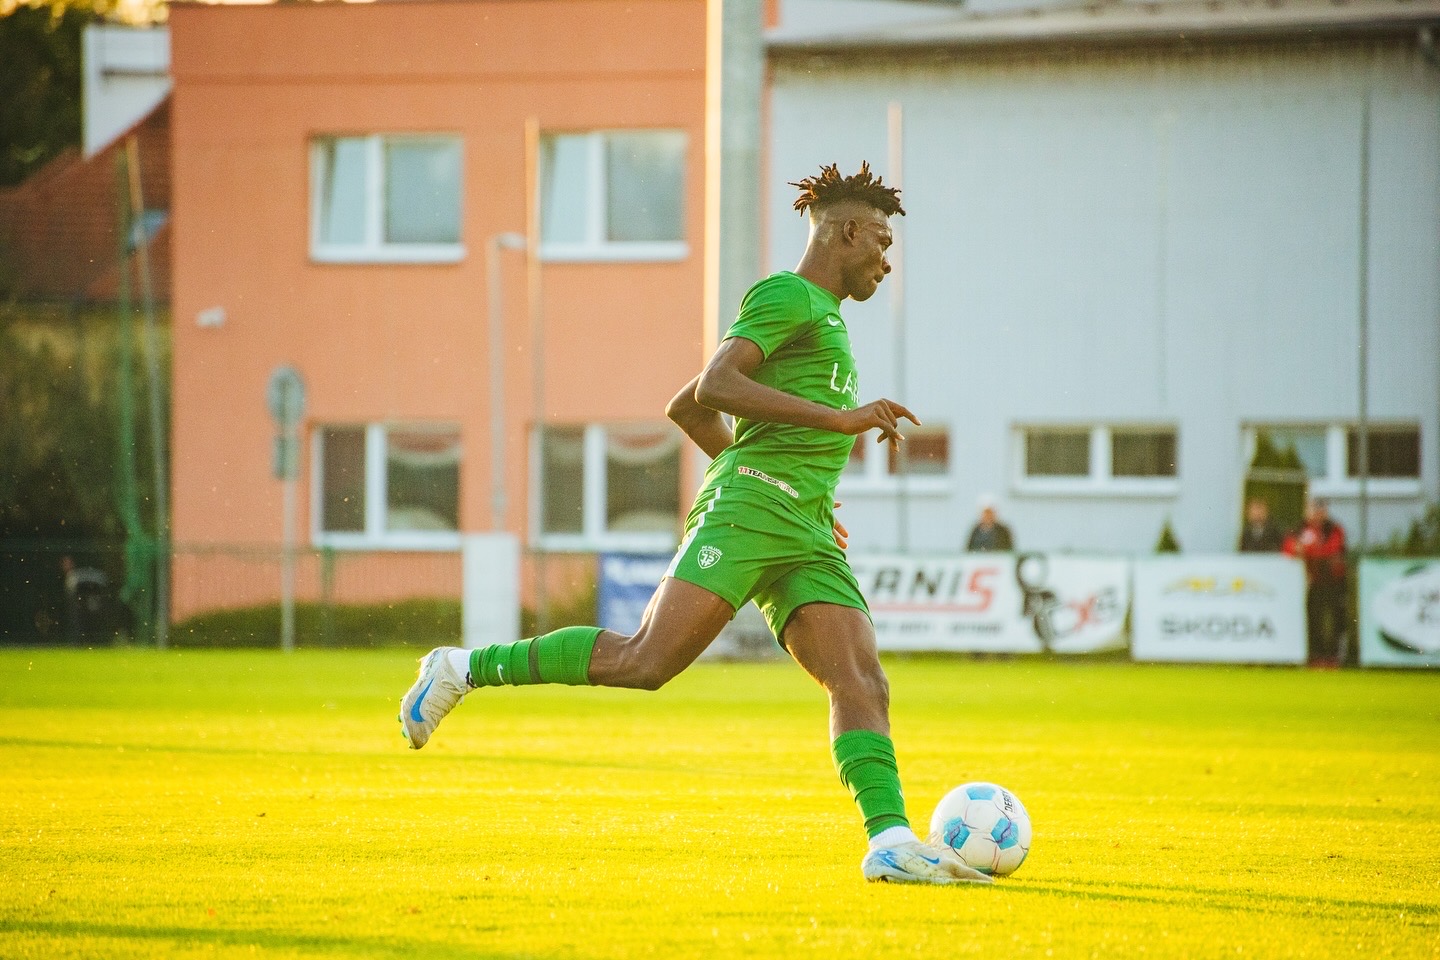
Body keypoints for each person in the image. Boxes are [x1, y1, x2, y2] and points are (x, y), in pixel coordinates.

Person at [398, 162, 990, 886]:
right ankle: (461, 667)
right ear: (845, 231)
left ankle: (890, 839)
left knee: (861, 676)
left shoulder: (823, 318)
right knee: (646, 662)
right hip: (749, 509)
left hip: (800, 524)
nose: (886, 260)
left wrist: (807, 488)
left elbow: (688, 410)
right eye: (881, 242)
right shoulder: (788, 295)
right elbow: (715, 386)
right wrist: (824, 430)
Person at [1282, 498, 1347, 667]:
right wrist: (1304, 550)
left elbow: (1333, 549)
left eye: (1321, 510)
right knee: (1313, 620)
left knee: (1335, 621)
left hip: (1333, 581)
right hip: (1313, 582)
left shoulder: (1333, 528)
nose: (1318, 514)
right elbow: (1288, 548)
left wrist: (1307, 550)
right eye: (1314, 509)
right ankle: (1315, 657)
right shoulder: (1299, 528)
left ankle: (1333, 657)